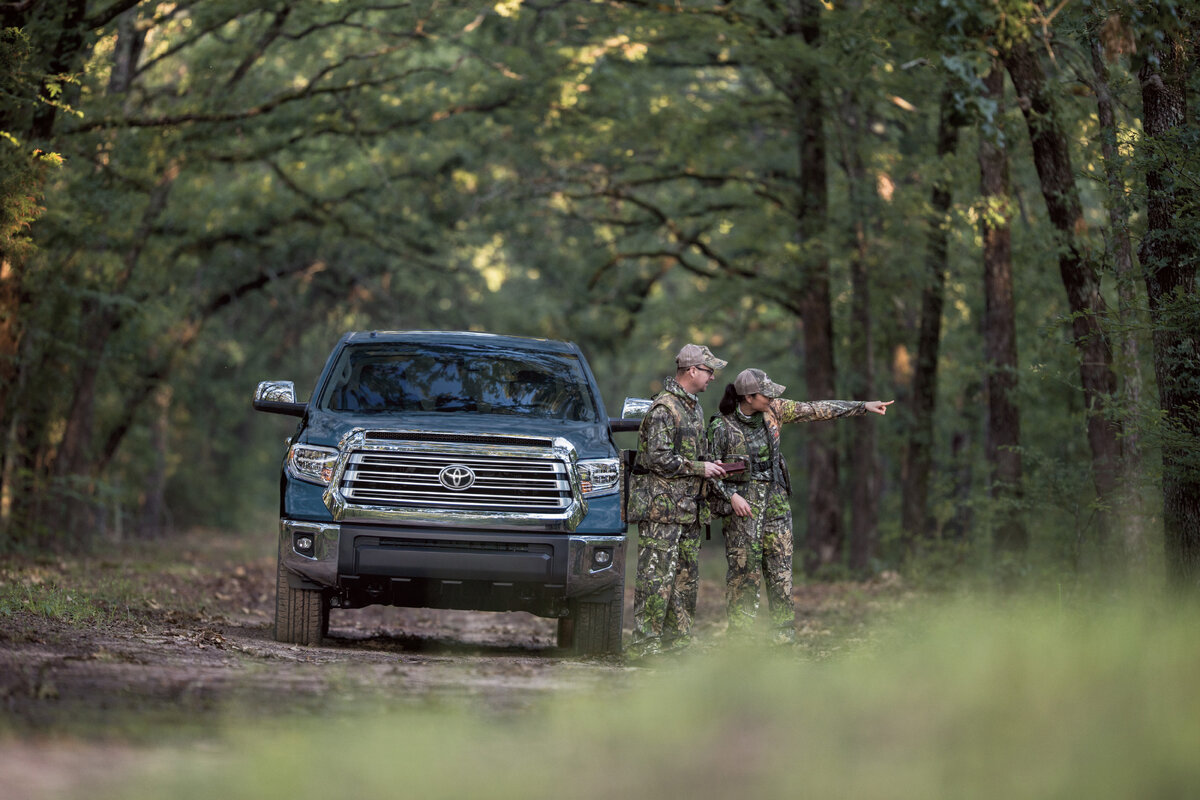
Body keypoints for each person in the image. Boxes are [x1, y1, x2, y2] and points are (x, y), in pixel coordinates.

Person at [707, 368, 893, 645]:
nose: (771, 397)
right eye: (765, 394)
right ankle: (740, 642)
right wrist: (730, 496)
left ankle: (784, 637)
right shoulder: (721, 428)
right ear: (748, 396)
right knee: (743, 574)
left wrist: (862, 407)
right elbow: (708, 472)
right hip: (743, 509)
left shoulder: (775, 412)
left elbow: (816, 409)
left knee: (780, 570)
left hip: (776, 504)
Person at [625, 343, 731, 658]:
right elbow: (656, 457)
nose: (712, 378)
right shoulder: (664, 408)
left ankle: (677, 644)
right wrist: (700, 467)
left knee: (685, 580)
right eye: (709, 371)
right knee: (656, 578)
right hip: (661, 511)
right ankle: (646, 645)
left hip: (688, 510)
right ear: (692, 370)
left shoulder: (693, 407)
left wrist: (713, 467)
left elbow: (692, 453)